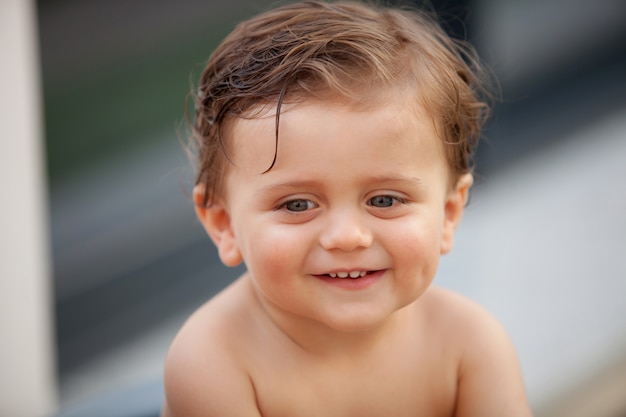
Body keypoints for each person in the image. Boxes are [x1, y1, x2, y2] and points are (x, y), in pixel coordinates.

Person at [162, 1, 533, 416]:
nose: (347, 236)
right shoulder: (214, 362)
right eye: (298, 204)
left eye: (384, 200)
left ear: (447, 215)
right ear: (224, 224)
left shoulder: (469, 343)